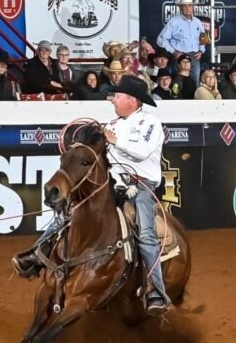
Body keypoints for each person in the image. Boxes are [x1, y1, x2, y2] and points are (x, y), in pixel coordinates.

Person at [12, 75, 171, 315]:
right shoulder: (113, 124)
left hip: (140, 186)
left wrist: (114, 141)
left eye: (116, 96)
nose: (112, 101)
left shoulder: (150, 124)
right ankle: (36, 254)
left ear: (132, 100)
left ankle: (155, 290)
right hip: (111, 184)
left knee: (146, 233)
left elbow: (141, 152)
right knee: (68, 213)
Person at [157, 0, 204, 84]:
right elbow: (160, 39)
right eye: (184, 6)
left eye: (189, 5)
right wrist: (173, 51)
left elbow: (204, 38)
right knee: (179, 83)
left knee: (195, 83)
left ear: (193, 7)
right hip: (180, 56)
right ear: (180, 8)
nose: (187, 8)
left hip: (194, 56)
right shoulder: (174, 22)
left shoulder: (198, 22)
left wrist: (201, 51)